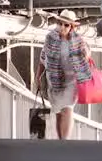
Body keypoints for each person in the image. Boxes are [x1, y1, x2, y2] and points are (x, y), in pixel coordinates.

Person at [35, 9, 92, 140]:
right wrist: (38, 77)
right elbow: (43, 59)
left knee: (67, 108)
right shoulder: (50, 38)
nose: (62, 27)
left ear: (71, 27)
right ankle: (61, 140)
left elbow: (86, 55)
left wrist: (85, 54)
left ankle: (65, 141)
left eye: (66, 25)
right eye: (60, 23)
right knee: (59, 112)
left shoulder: (78, 40)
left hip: (72, 81)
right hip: (54, 81)